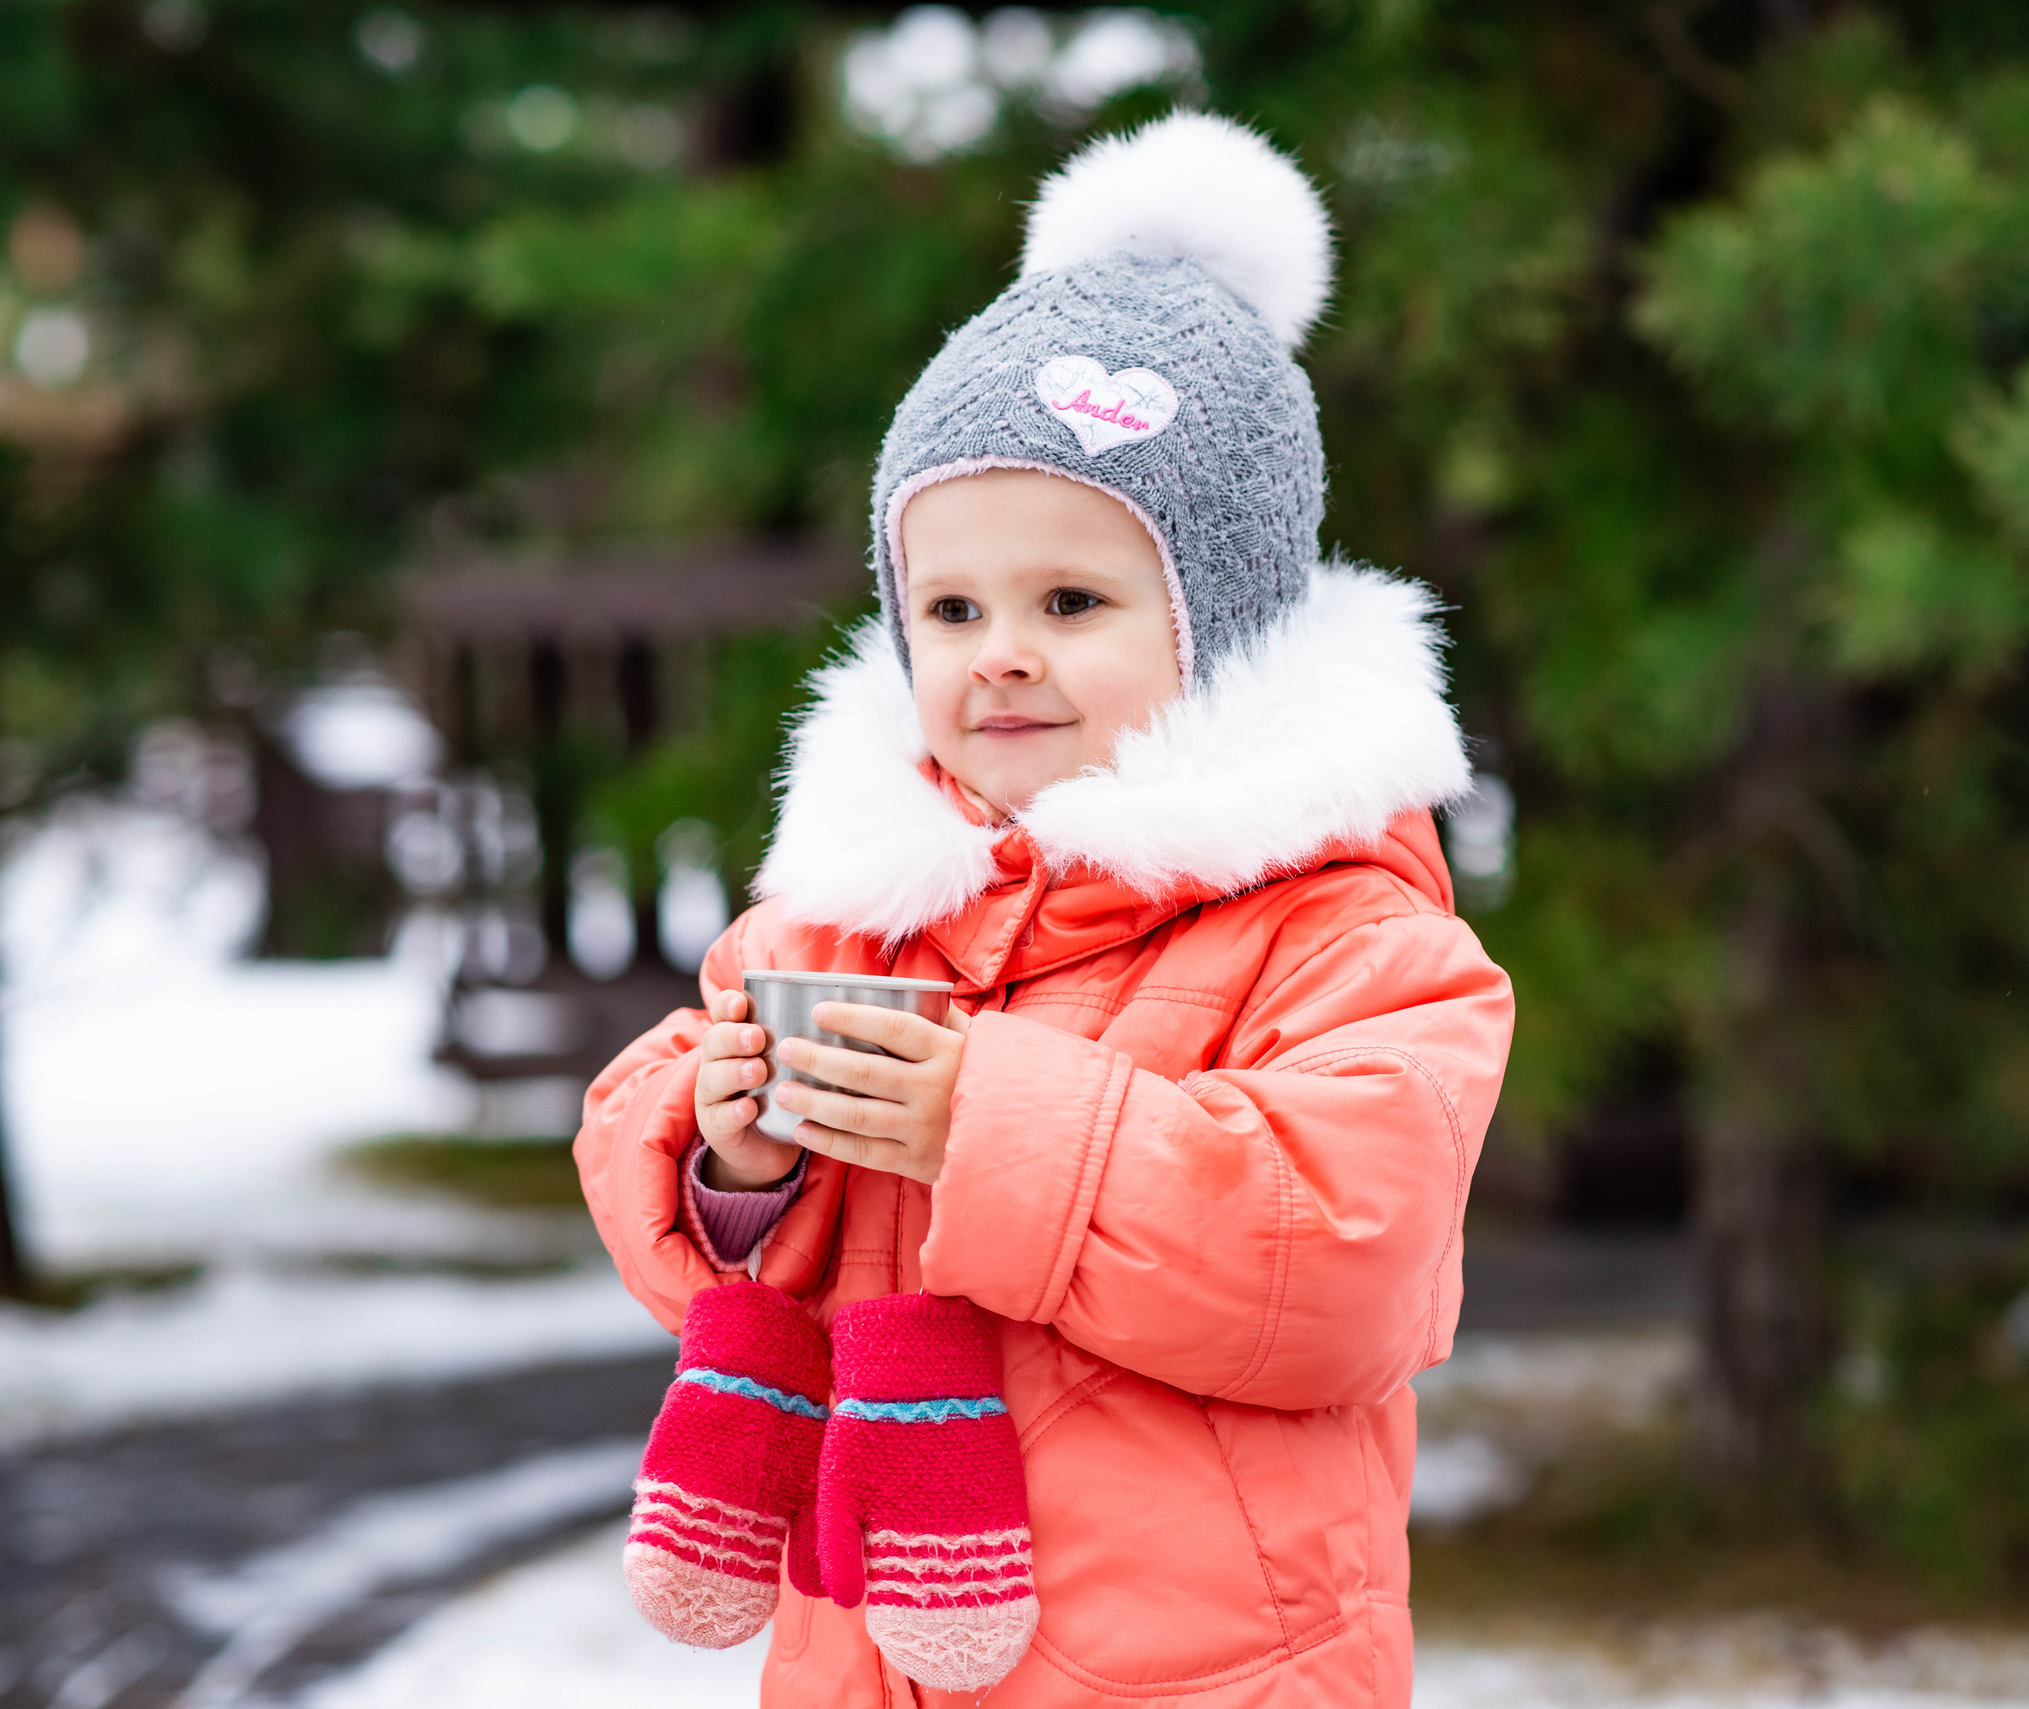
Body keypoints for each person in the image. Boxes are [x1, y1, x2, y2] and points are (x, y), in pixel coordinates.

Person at [575, 110, 1514, 1708]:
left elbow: (1344, 1258)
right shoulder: (842, 913)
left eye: (1071, 601)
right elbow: (695, 1254)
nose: (999, 651)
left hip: (1204, 1671)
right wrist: (732, 1154)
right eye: (950, 606)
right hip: (871, 1656)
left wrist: (981, 1126)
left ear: (1222, 620)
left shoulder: (1347, 934)